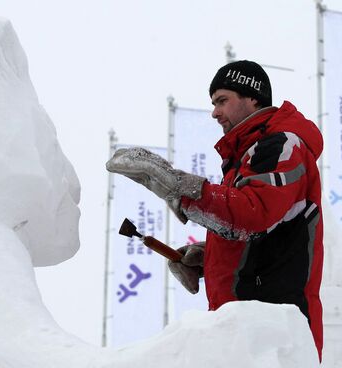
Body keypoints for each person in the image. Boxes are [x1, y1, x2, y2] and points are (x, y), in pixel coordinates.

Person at [106, 60, 324, 361]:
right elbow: (264, 234)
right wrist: (212, 257)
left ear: (253, 98)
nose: (215, 112)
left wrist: (177, 186)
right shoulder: (248, 155)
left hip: (273, 337)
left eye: (222, 100)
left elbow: (253, 214)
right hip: (251, 332)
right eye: (213, 103)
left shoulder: (281, 144)